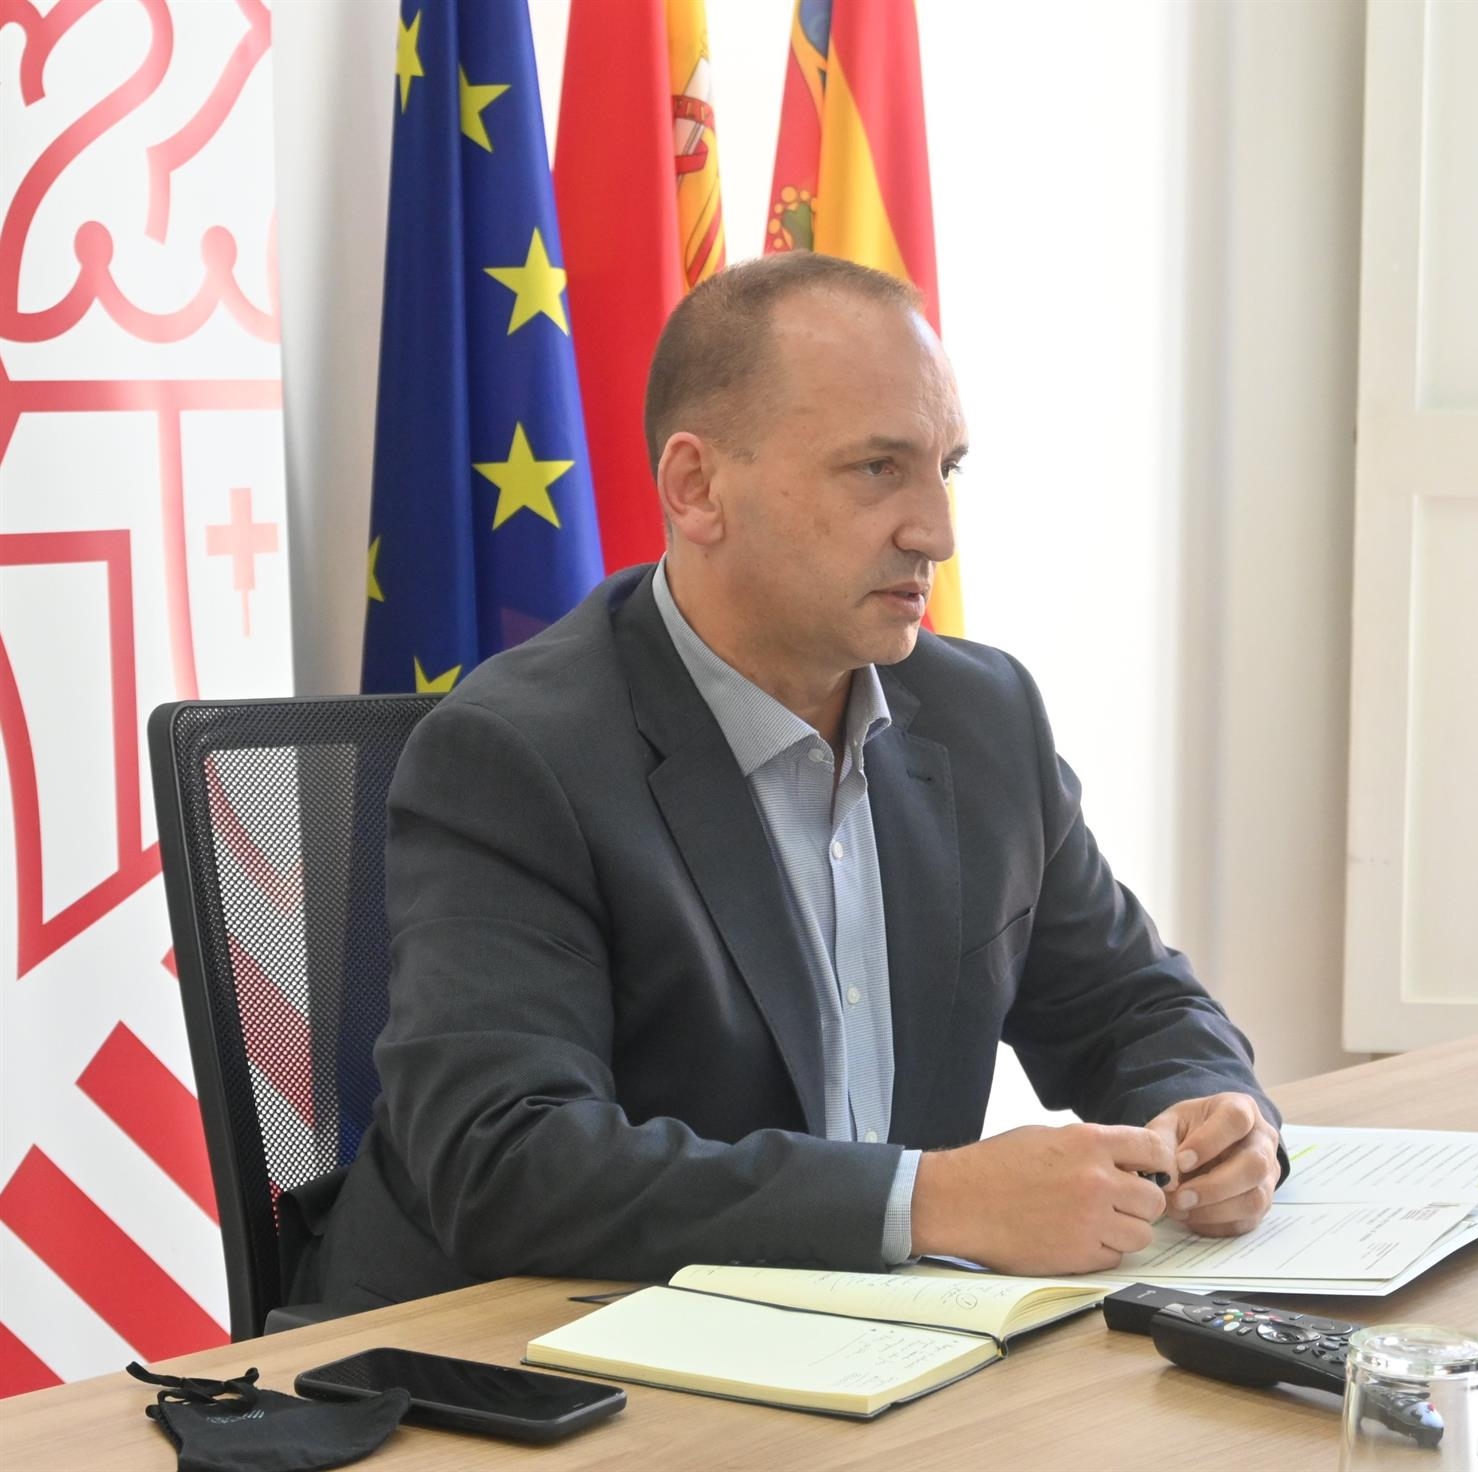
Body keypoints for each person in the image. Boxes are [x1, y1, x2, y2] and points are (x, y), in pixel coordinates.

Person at [296, 252, 1286, 1310]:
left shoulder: (984, 716)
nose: (937, 533)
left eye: (946, 468)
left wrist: (1215, 1116)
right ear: (696, 488)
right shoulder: (516, 753)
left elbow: (1130, 1005)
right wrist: (930, 1201)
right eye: (877, 469)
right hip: (511, 1355)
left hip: (848, 1342)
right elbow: (506, 1160)